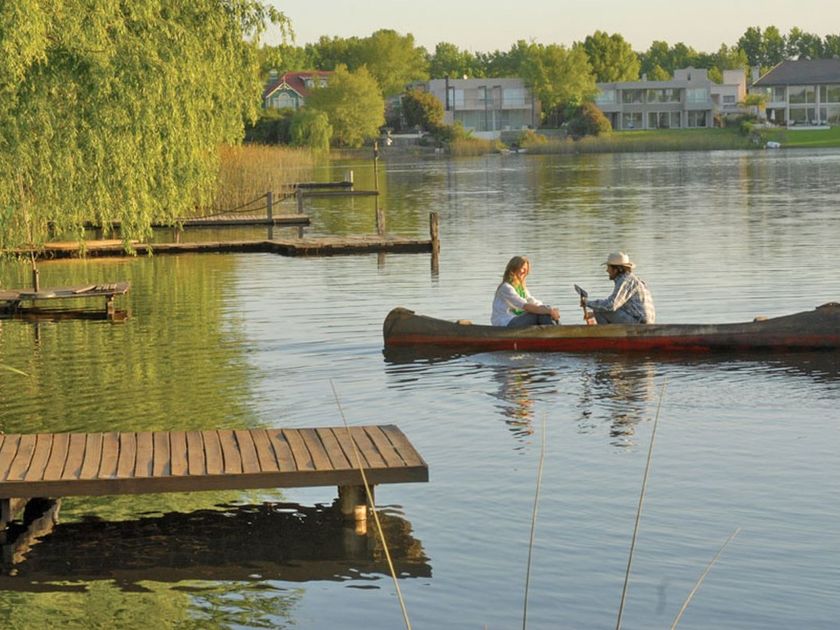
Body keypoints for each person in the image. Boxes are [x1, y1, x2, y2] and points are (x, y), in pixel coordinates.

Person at [581, 252, 655, 324]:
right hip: (641, 321)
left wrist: (587, 303)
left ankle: (605, 332)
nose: (607, 270)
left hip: (640, 323)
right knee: (599, 309)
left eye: (608, 267)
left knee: (599, 309)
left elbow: (611, 305)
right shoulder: (629, 279)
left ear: (616, 269)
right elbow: (619, 305)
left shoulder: (625, 281)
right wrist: (593, 314)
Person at [492, 256, 560, 327]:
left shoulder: (521, 287)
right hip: (506, 322)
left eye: (525, 269)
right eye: (521, 268)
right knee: (539, 313)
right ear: (513, 268)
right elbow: (524, 305)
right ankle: (556, 330)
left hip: (518, 318)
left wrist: (549, 310)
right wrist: (548, 311)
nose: (523, 271)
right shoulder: (506, 287)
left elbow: (531, 300)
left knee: (546, 309)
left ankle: (556, 329)